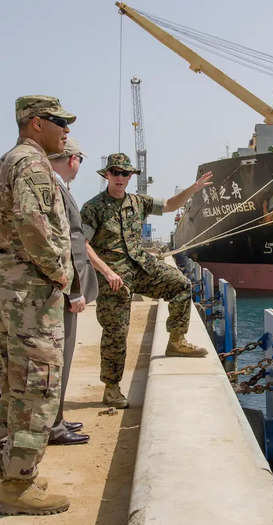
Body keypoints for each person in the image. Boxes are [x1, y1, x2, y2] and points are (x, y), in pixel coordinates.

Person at [81, 153, 213, 409]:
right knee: (116, 332)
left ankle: (176, 341)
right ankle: (111, 388)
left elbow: (171, 205)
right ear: (107, 175)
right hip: (115, 277)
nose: (120, 177)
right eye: (116, 172)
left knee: (180, 285)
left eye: (125, 173)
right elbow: (82, 244)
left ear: (131, 177)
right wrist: (107, 272)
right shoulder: (93, 207)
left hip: (141, 266)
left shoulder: (138, 202)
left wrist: (193, 189)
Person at [0, 95, 75, 515]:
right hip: (31, 296)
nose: (65, 129)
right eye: (58, 120)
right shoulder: (30, 163)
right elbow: (32, 221)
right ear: (34, 124)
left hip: (13, 291)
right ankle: (17, 484)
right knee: (36, 387)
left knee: (12, 386)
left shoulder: (10, 160)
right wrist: (57, 270)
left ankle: (12, 470)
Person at [47, 137, 97, 446]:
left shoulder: (57, 187)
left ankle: (57, 419)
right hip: (62, 292)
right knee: (59, 359)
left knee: (60, 360)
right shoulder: (53, 188)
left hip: (59, 289)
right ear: (73, 159)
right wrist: (75, 290)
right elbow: (65, 245)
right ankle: (52, 426)